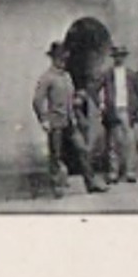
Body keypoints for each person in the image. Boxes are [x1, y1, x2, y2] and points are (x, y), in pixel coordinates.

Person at [34, 41, 101, 196]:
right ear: (53, 59)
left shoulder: (67, 76)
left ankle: (90, 183)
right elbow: (37, 100)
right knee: (56, 155)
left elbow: (70, 98)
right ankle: (57, 187)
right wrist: (43, 119)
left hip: (71, 121)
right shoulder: (47, 78)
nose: (62, 61)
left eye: (64, 58)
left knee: (83, 150)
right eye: (59, 58)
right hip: (55, 122)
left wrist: (78, 98)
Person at [99, 45, 138, 183]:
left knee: (129, 142)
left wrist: (134, 109)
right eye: (116, 56)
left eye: (121, 56)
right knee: (113, 143)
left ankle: (130, 172)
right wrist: (102, 105)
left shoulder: (131, 74)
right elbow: (96, 89)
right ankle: (113, 173)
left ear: (124, 57)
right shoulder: (107, 74)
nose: (119, 58)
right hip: (113, 111)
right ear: (113, 58)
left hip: (127, 110)